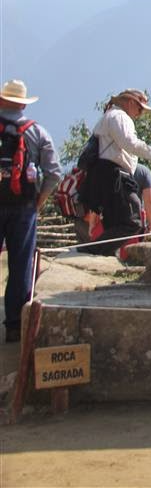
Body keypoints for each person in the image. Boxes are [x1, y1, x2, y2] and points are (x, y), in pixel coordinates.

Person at [0, 80, 62, 343]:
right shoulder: (37, 132)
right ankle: (15, 325)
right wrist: (39, 201)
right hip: (24, 207)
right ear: (23, 105)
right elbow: (54, 173)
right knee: (21, 264)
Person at [81, 89, 151, 254]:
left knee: (115, 222)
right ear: (130, 102)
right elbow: (130, 143)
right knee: (133, 221)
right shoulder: (120, 116)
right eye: (140, 108)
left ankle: (101, 253)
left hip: (104, 174)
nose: (140, 113)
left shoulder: (110, 116)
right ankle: (93, 251)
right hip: (114, 175)